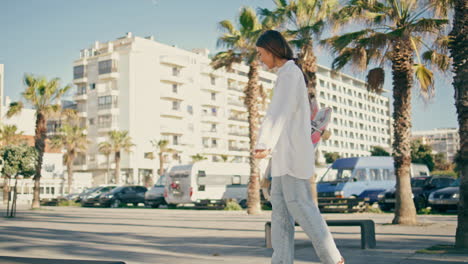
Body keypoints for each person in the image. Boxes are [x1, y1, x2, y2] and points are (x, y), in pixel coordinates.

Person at [253, 30, 345, 264]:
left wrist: (264, 143)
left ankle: (334, 259)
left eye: (262, 54)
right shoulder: (286, 74)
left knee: (301, 207)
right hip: (283, 158)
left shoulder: (290, 74)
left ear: (273, 50)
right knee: (281, 214)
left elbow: (278, 112)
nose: (261, 60)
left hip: (293, 156)